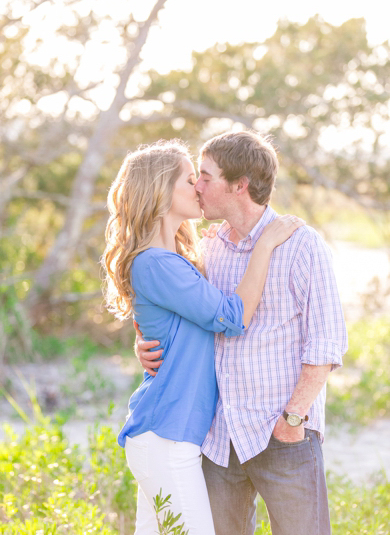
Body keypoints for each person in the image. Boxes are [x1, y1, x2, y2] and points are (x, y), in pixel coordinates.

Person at [136, 131, 348, 535]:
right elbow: (185, 313)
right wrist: (144, 344)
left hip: (282, 434)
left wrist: (292, 419)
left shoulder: (302, 246)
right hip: (219, 439)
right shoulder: (208, 246)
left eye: (206, 176)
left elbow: (325, 346)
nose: (197, 186)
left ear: (239, 185)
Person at [101, 139, 304, 535]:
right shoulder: (156, 263)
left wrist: (143, 342)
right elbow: (231, 317)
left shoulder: (171, 259)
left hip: (172, 438)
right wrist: (264, 244)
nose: (198, 187)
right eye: (190, 179)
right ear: (161, 191)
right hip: (166, 437)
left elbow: (167, 328)